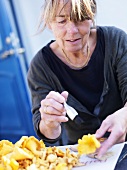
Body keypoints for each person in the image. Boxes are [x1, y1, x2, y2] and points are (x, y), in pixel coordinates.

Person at [27, 0, 127, 159]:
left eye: (80, 18)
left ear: (91, 16)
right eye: (61, 21)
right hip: (80, 158)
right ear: (49, 23)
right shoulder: (40, 66)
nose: (72, 31)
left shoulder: (116, 40)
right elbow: (48, 135)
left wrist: (124, 116)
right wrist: (49, 122)